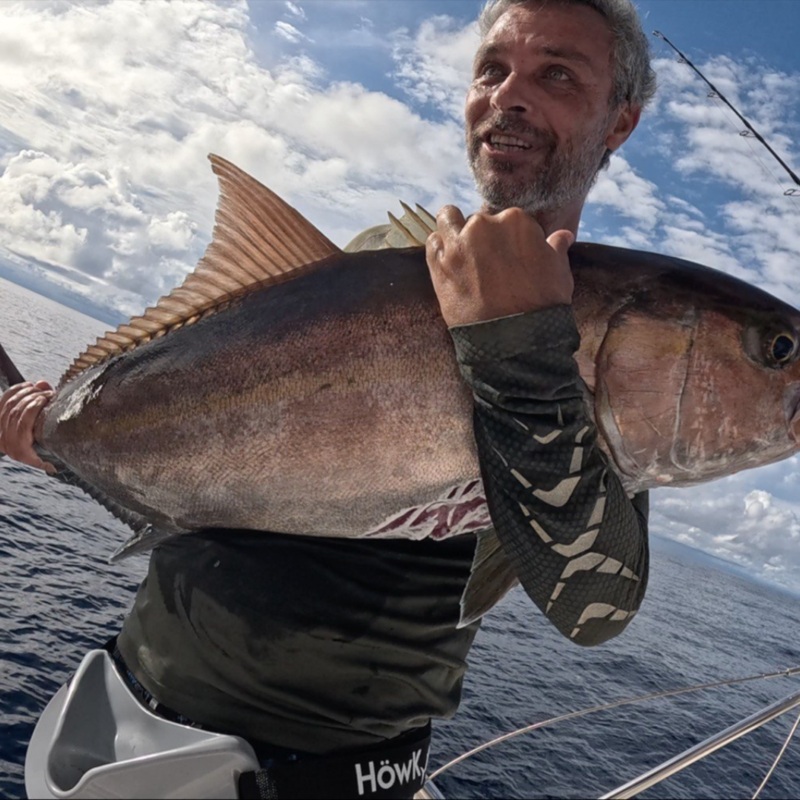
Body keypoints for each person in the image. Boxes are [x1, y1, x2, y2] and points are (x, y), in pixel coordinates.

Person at [1, 0, 656, 797]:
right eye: (492, 69)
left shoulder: (614, 361)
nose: (508, 95)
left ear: (620, 122)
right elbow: (189, 446)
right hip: (122, 719)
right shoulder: (366, 269)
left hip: (329, 774)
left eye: (556, 73)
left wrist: (522, 349)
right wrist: (54, 438)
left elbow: (596, 606)